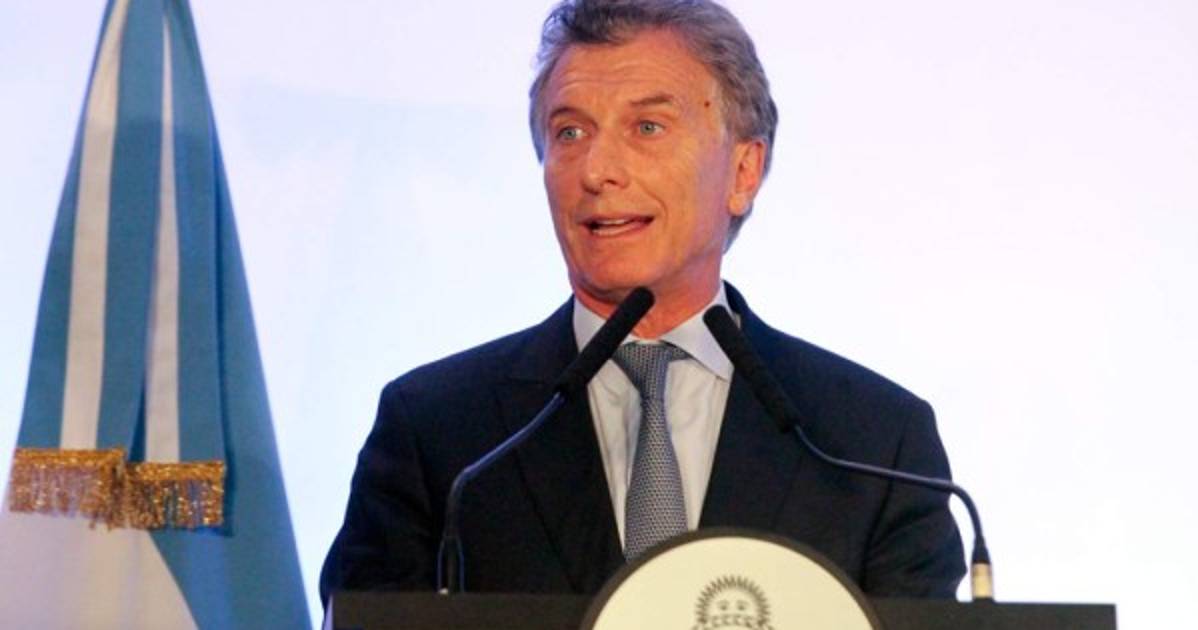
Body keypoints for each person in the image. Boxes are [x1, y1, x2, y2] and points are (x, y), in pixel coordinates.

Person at [320, 0, 964, 605]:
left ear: (743, 172)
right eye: (569, 132)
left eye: (647, 127)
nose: (596, 170)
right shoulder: (438, 432)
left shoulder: (874, 444)